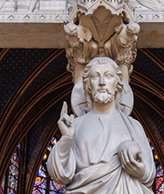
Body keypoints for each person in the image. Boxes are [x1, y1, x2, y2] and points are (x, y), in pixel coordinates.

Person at [47, 57, 155, 194]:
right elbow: (59, 174)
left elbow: (149, 175)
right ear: (88, 85)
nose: (102, 83)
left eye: (108, 76)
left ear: (117, 84)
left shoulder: (133, 126)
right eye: (95, 76)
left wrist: (139, 170)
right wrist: (67, 138)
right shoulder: (76, 126)